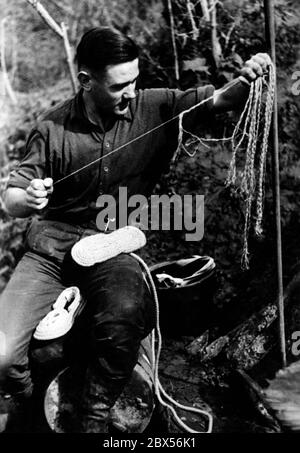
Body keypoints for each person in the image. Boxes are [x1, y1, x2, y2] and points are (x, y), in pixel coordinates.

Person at [0, 27, 270, 433]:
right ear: (86, 81)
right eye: (119, 85)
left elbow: (224, 98)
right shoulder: (51, 127)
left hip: (112, 244)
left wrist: (250, 76)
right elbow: (12, 198)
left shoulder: (156, 106)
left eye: (135, 80)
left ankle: (91, 418)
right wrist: (30, 197)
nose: (131, 92)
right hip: (49, 251)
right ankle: (28, 397)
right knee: (2, 354)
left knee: (125, 313)